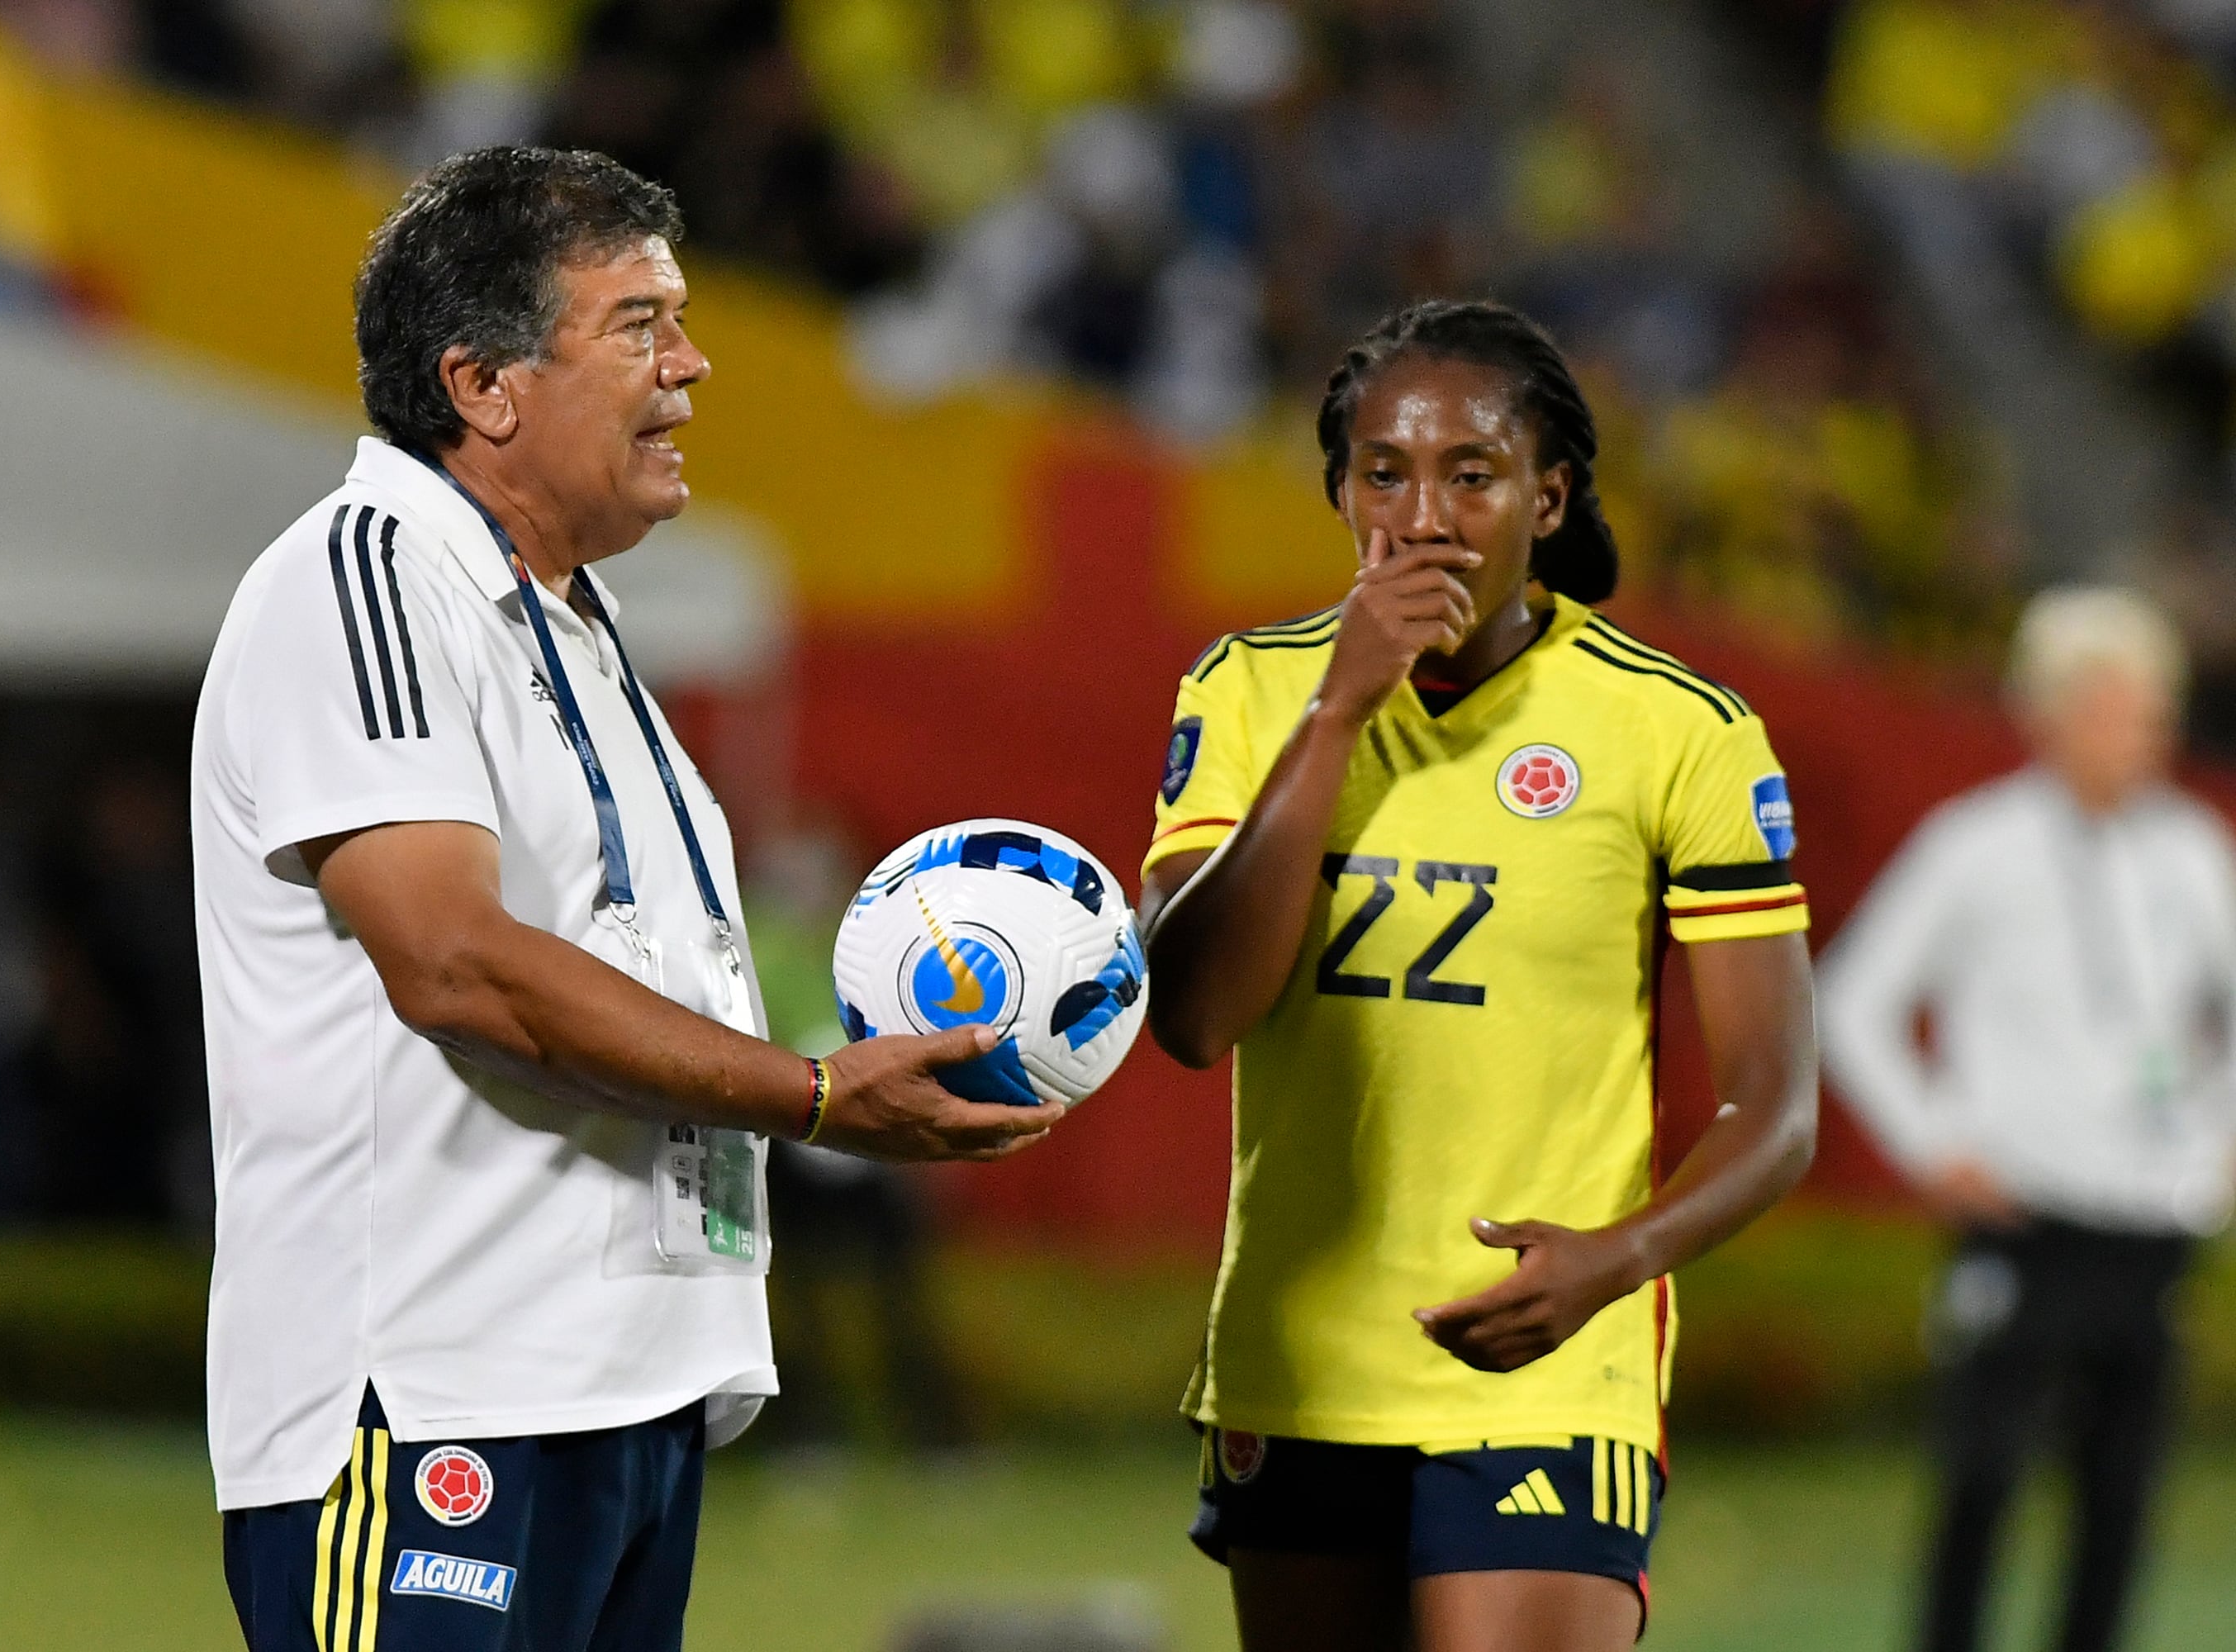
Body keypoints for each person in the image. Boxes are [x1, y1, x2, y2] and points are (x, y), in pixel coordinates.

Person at [192, 146, 1060, 1652]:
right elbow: (455, 964)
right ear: (484, 385)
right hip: (434, 1402)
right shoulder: (365, 582)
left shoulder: (569, 625)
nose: (694, 363)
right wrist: (808, 1094)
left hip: (621, 1398)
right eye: (641, 325)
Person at [1139, 299, 1819, 1652]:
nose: (1424, 514)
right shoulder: (1246, 692)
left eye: (1473, 474)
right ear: (1339, 493)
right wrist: (1340, 707)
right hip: (1302, 1360)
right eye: (1384, 471)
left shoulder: (1677, 732)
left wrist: (1615, 1262)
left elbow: (1775, 1101)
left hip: (1549, 1369)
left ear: (1548, 498)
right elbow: (1197, 1015)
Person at [1819, 586, 2236, 1652]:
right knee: (1984, 1481)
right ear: (2048, 711)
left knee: (2121, 1499)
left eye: (2152, 705)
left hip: (2151, 1220)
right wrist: (1931, 1144)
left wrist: (2219, 1149)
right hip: (2021, 1213)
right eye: (2115, 703)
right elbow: (1852, 1000)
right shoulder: (1978, 845)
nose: (2142, 728)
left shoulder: (2191, 853)